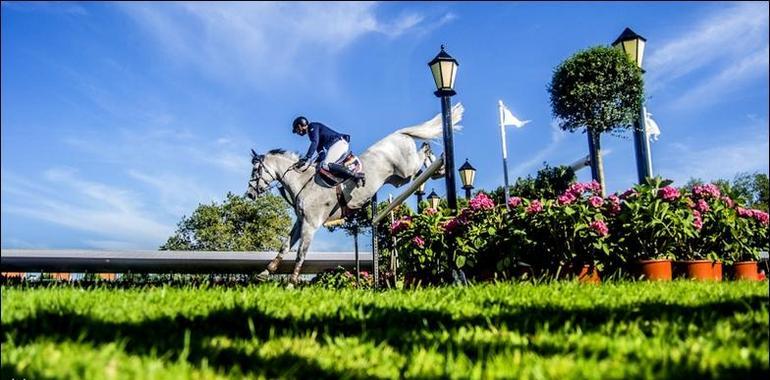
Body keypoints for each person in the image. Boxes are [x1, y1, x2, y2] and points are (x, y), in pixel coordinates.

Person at [292, 116, 364, 182]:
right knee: (323, 166)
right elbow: (321, 152)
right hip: (338, 145)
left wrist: (306, 158)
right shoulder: (313, 134)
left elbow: (315, 142)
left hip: (339, 143)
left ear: (299, 126)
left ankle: (356, 175)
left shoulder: (312, 126)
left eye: (296, 130)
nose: (297, 133)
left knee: (325, 165)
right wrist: (315, 163)